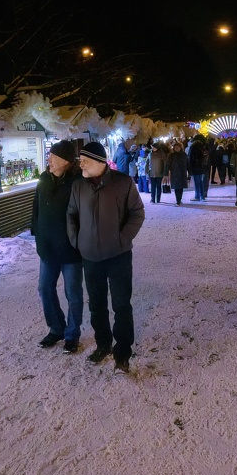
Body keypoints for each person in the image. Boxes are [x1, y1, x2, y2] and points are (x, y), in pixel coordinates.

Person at [67, 142, 145, 372]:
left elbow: (137, 213)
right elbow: (71, 214)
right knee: (97, 305)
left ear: (99, 162)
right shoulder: (78, 186)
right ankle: (103, 344)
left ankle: (123, 350)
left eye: (85, 160)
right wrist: (76, 240)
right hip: (90, 256)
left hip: (118, 255)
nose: (80, 163)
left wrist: (123, 238)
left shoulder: (123, 183)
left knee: (121, 304)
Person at [30, 140, 83, 353]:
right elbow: (36, 210)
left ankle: (72, 334)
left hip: (71, 250)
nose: (49, 159)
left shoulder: (78, 183)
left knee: (73, 294)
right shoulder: (43, 180)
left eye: (53, 156)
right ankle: (56, 328)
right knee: (45, 289)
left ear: (66, 161)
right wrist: (37, 234)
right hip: (48, 248)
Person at [188, 135, 211, 201]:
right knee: (200, 181)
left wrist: (189, 167)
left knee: (197, 182)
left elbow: (190, 158)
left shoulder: (193, 146)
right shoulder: (203, 146)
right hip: (202, 166)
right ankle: (202, 196)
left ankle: (197, 196)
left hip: (195, 166)